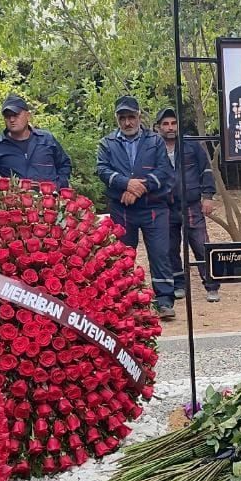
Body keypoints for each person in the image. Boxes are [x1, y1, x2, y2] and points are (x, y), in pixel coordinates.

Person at [97, 96, 177, 318]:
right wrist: (125, 184)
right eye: (122, 118)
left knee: (160, 254)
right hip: (122, 209)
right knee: (122, 256)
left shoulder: (155, 141)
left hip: (154, 209)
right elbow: (102, 170)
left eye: (131, 117)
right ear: (117, 119)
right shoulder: (107, 143)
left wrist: (139, 188)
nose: (127, 122)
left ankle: (164, 301)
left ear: (139, 116)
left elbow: (165, 172)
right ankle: (125, 302)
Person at [156, 107, 221, 304]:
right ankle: (178, 285)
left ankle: (212, 286)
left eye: (173, 123)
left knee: (201, 246)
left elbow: (207, 170)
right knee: (170, 248)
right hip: (165, 206)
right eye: (166, 124)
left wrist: (208, 196)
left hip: (192, 205)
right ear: (158, 127)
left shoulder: (191, 146)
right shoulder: (153, 147)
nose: (170, 128)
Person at [0, 94, 72, 187]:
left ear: (28, 116)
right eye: (7, 116)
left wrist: (58, 185)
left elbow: (65, 165)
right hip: (15, 200)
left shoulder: (47, 140)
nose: (11, 119)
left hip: (49, 198)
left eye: (16, 115)